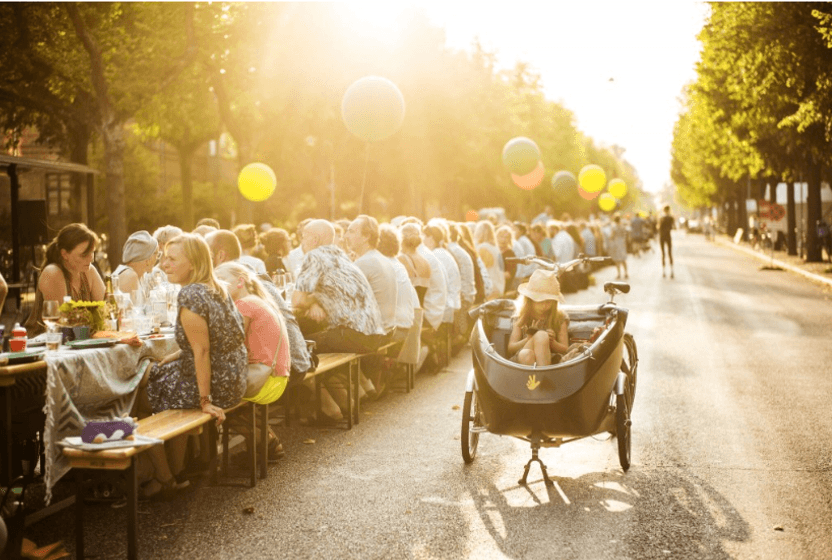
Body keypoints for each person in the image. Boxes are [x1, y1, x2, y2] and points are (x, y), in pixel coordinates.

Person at [137, 233, 247, 498]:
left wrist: (205, 400)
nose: (164, 264)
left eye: (172, 259)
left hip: (217, 385)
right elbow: (213, 340)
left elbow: (202, 350)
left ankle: (164, 477)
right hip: (234, 377)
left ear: (194, 263)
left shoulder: (191, 295)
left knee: (137, 397)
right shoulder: (216, 286)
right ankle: (177, 472)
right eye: (163, 258)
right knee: (159, 383)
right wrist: (175, 356)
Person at [215, 262, 291, 458]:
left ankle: (267, 444)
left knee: (212, 399)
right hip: (276, 377)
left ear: (240, 281)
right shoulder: (257, 300)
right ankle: (266, 444)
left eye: (222, 280)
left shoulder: (244, 305)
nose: (217, 286)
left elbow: (226, 344)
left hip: (263, 380)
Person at [25, 223, 106, 336]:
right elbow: (62, 324)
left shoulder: (88, 270)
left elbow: (104, 311)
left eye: (92, 252)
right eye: (84, 255)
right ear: (64, 254)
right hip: (45, 344)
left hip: (79, 341)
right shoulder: (52, 272)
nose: (91, 259)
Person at [345, 215, 398, 335]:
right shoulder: (379, 258)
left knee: (309, 343)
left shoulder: (364, 262)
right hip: (387, 330)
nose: (346, 236)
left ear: (366, 236)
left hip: (369, 335)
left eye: (351, 232)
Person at [506, 269, 569, 366]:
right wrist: (528, 339)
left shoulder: (559, 318)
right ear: (530, 300)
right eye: (540, 301)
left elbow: (566, 348)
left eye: (548, 302)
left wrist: (553, 342)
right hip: (521, 361)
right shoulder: (521, 317)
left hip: (549, 359)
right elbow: (511, 347)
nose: (544, 305)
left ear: (554, 302)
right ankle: (544, 378)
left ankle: (540, 377)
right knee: (529, 351)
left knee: (537, 342)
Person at [111, 230, 159, 296]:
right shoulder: (129, 276)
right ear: (148, 257)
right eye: (156, 254)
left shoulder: (140, 276)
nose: (157, 258)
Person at [397, 223, 432, 306]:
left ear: (401, 239)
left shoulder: (402, 260)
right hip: (420, 313)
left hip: (408, 312)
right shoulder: (426, 262)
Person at [474, 220, 504, 298]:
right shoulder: (495, 247)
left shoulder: (483, 248)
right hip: (500, 285)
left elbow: (481, 270)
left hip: (491, 288)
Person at [496, 225, 517, 293]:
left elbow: (509, 274)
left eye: (506, 237)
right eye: (501, 236)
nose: (503, 239)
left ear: (510, 239)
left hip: (504, 288)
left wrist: (493, 274)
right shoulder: (494, 251)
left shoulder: (510, 254)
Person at [609, 214, 629, 279]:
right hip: (622, 243)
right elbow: (625, 235)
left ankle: (618, 273)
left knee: (617, 259)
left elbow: (612, 236)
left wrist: (610, 239)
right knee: (623, 259)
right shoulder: (623, 226)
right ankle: (626, 272)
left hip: (616, 243)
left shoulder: (614, 227)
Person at [659, 205, 675, 278]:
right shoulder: (671, 218)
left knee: (663, 254)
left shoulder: (661, 218)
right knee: (669, 253)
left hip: (662, 236)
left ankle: (664, 271)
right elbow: (674, 227)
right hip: (668, 236)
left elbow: (658, 227)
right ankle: (671, 271)